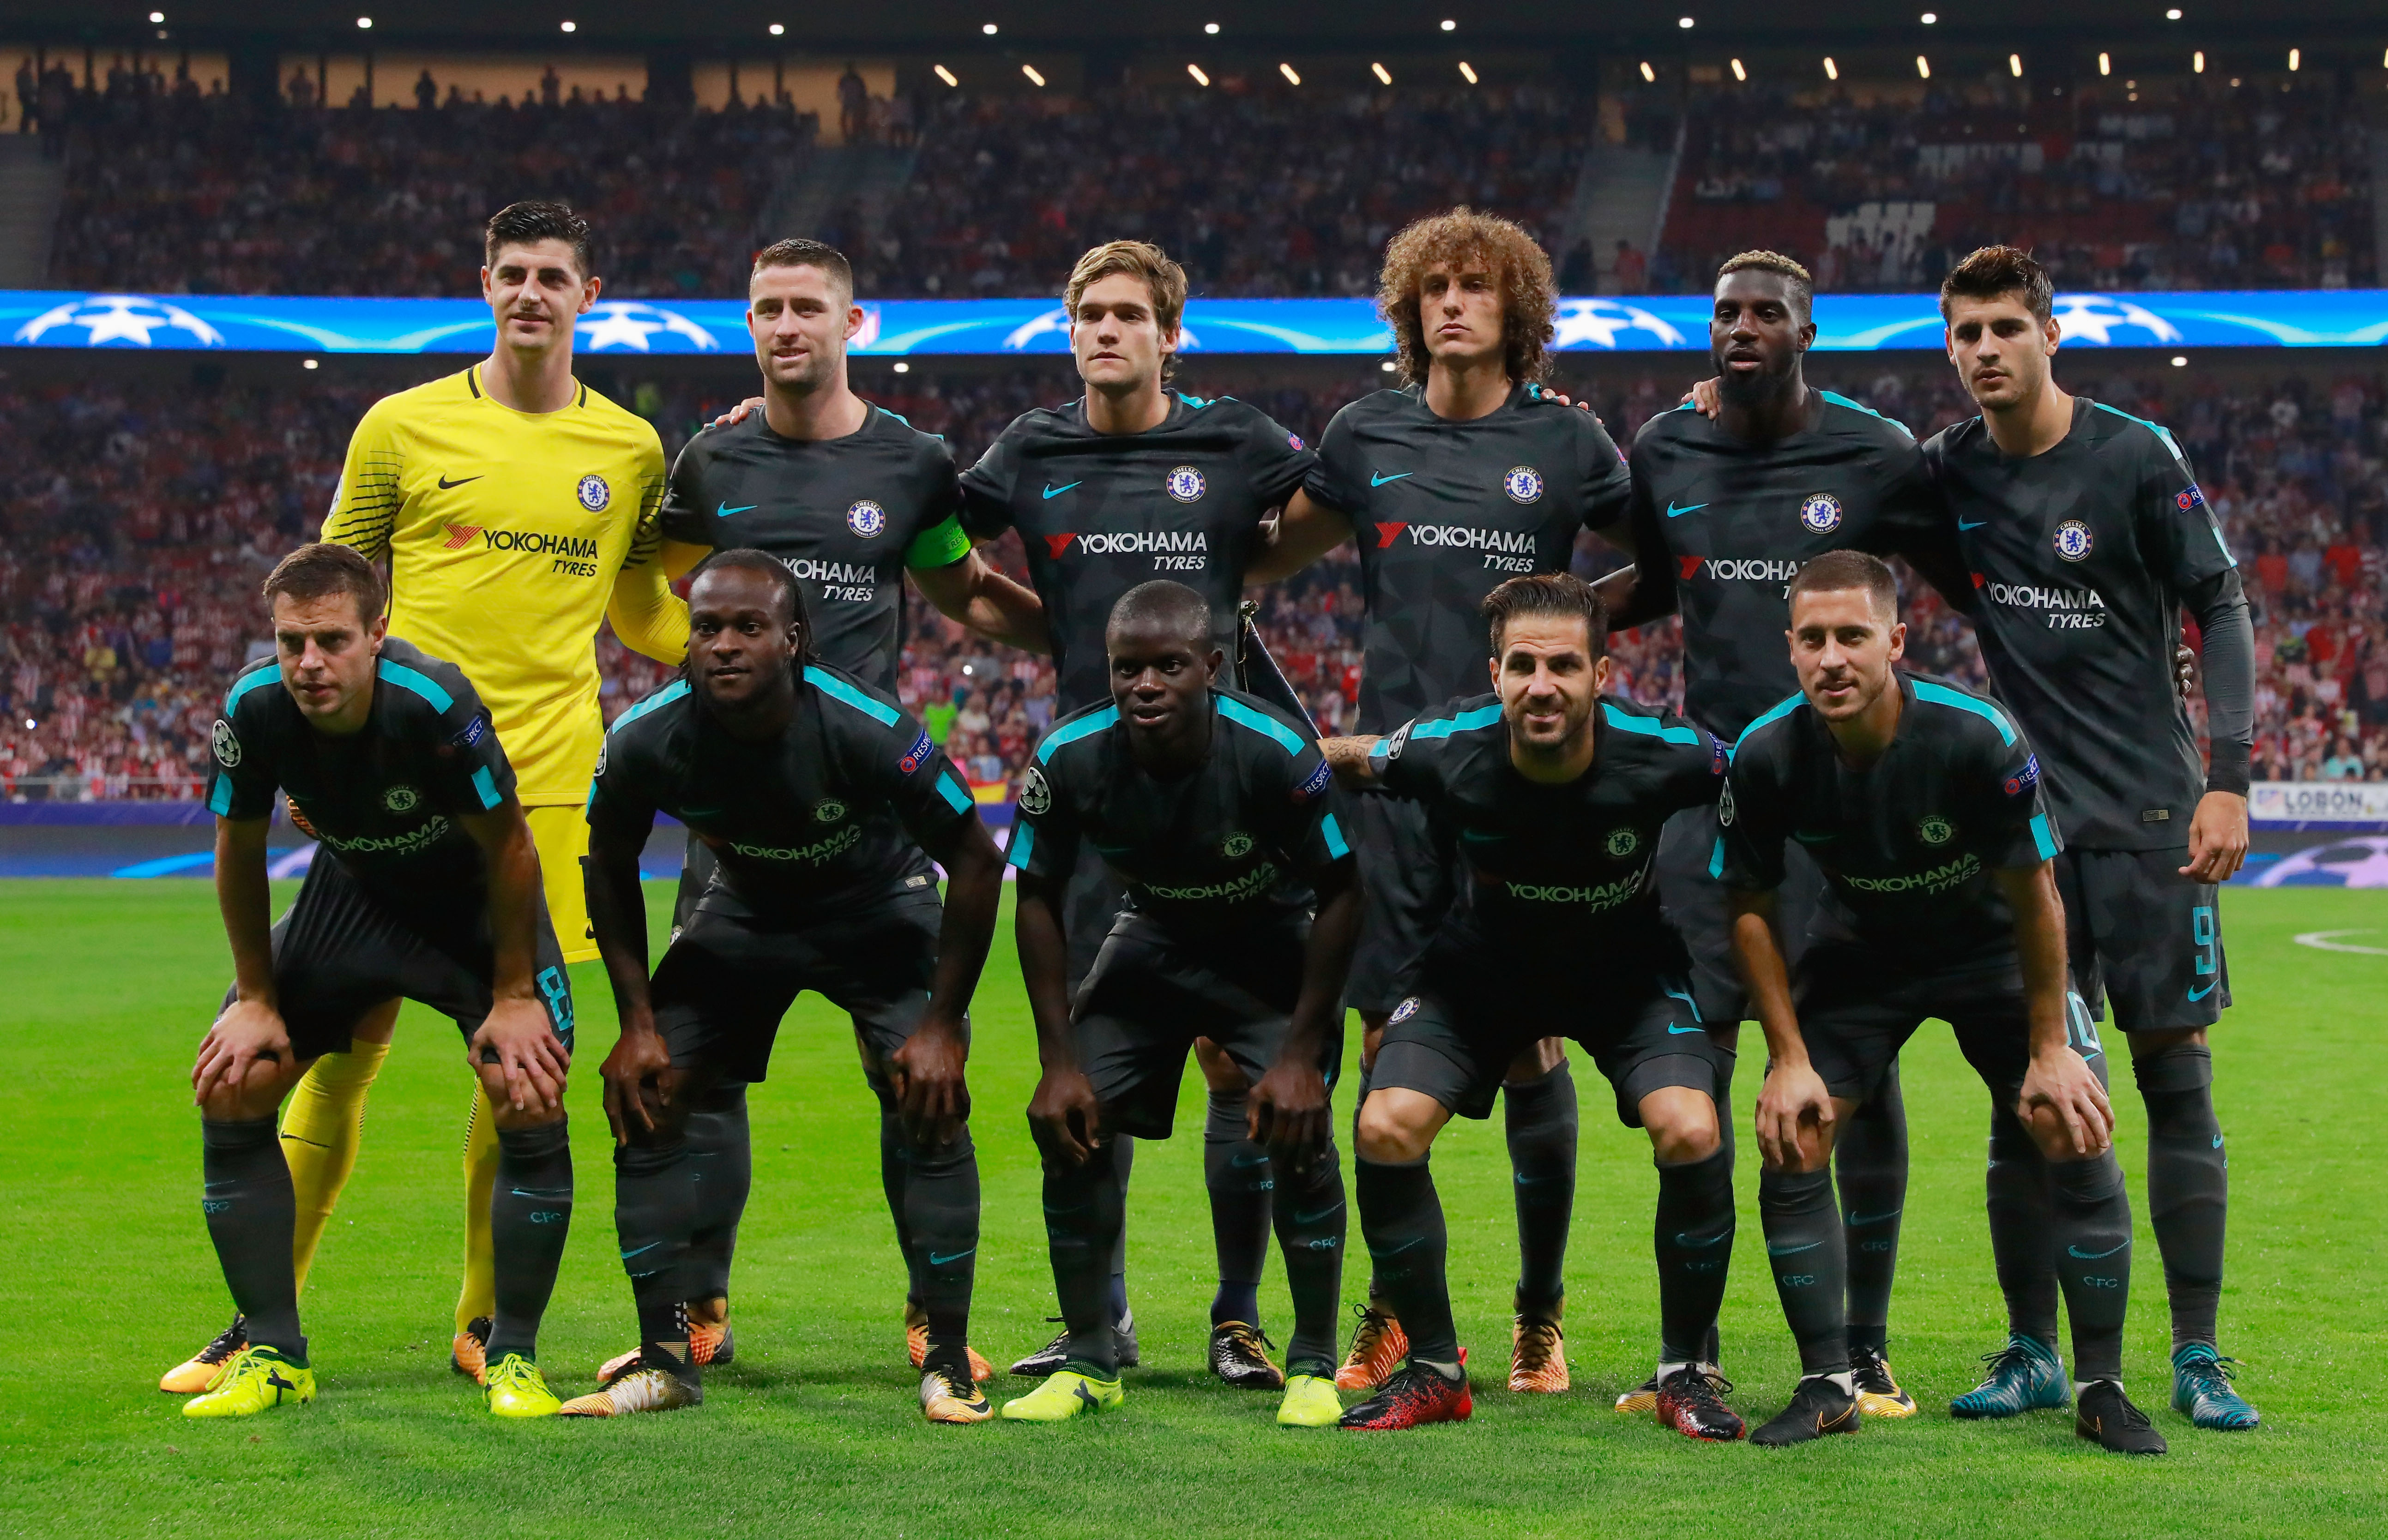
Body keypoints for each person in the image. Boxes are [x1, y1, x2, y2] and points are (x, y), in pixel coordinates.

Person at [158, 201, 688, 1396]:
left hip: (544, 789)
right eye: (512, 273)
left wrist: (720, 633)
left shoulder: (629, 452)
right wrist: (312, 744)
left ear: (588, 292)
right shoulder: (402, 424)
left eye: (554, 274)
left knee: (517, 1068)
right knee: (331, 1058)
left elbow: (638, 613)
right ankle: (259, 1325)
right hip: (391, 780)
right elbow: (335, 587)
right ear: (484, 283)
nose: (531, 293)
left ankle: (485, 1322)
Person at [610, 236, 1044, 1388]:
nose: (786, 325)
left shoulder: (913, 463)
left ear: (855, 326)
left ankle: (932, 1320)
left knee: (917, 1080)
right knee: (695, 1084)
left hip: (872, 829)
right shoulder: (706, 464)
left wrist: (1083, 640)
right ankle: (698, 1308)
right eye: (767, 308)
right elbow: (672, 608)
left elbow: (962, 593)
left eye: (808, 307)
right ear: (749, 326)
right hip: (735, 844)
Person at [1249, 208, 1632, 1395]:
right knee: (1382, 1051)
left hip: (1526, 804)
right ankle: (1397, 1314)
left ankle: (1538, 1319)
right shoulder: (1364, 434)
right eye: (1435, 288)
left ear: (1516, 312)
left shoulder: (1570, 451)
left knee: (1532, 1050)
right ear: (1408, 310)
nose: (1453, 303)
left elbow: (1667, 558)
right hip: (1389, 796)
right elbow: (1257, 558)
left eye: (1477, 287)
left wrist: (1578, 646)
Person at [1594, 250, 1967, 1419]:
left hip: (1849, 821)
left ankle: (1863, 1348)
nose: (1742, 328)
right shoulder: (1666, 448)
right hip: (1716, 806)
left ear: (1809, 332)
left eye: (1768, 314)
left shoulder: (1877, 454)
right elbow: (1655, 586)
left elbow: (1961, 580)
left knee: (1855, 1072)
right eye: (1726, 314)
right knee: (1692, 1070)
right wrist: (1541, 622)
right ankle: (1684, 1357)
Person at [960, 241, 1318, 1386]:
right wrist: (1056, 635)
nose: (1107, 331)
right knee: (1092, 1081)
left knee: (1233, 1066)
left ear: (1172, 334)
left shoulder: (1237, 439)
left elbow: (1332, 507)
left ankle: (1237, 1317)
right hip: (1095, 798)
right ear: (1070, 333)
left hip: (1223, 797)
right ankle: (1096, 1322)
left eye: (1130, 315)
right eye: (1090, 316)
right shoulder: (1029, 448)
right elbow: (939, 551)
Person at [1722, 551, 2163, 1454]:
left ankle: (2102, 1386)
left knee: (2073, 1120)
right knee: (1794, 1132)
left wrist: (2051, 1045)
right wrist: (1788, 1057)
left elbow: (2037, 894)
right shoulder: (1767, 753)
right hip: (1862, 958)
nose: (1833, 658)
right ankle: (1828, 1383)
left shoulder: (1976, 737)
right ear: (1791, 649)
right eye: (1814, 639)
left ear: (1897, 639)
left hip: (1993, 956)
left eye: (1853, 636)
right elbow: (1752, 912)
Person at [1922, 245, 2258, 1432]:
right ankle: (2032, 1350)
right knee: (2035, 1093)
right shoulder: (1945, 473)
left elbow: (2220, 602)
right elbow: (1834, 475)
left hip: (2160, 827)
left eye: (2005, 328)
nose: (1984, 352)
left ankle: (2200, 1354)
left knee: (2174, 1081)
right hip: (2029, 844)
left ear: (2049, 334)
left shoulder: (2132, 457)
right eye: (1965, 334)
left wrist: (2230, 780)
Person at [562, 552, 1006, 1424]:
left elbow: (978, 861)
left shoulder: (868, 726)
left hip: (878, 907)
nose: (723, 646)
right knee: (650, 1087)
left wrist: (944, 1023)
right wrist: (637, 1023)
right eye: (707, 629)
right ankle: (664, 1358)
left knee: (925, 1087)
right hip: (750, 907)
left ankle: (945, 1353)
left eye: (748, 629)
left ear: (794, 641)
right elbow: (607, 866)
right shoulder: (647, 736)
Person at [1321, 573, 1743, 1438]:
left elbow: (1767, 782)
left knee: (1692, 1129)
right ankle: (1435, 1369)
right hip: (1484, 970)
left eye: (1562, 666)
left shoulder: (1670, 750)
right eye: (1522, 666)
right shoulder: (1444, 744)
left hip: (1625, 972)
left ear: (1601, 673)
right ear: (1495, 672)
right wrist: (1245, 747)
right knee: (1383, 1124)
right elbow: (1355, 758)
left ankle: (1686, 1373)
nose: (1541, 685)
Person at [184, 545, 578, 1420]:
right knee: (234, 1082)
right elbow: (239, 847)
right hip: (350, 900)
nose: (309, 664)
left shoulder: (433, 702)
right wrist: (255, 998)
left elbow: (510, 844)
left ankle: (510, 1351)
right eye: (291, 643)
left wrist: (515, 996)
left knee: (529, 1088)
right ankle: (272, 1351)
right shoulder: (252, 707)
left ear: (377, 634)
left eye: (330, 640)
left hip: (469, 916)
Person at [1002, 581, 1358, 1427]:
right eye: (1129, 669)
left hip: (1269, 938)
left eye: (1169, 666)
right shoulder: (1071, 753)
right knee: (1071, 1120)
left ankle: (1311, 1364)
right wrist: (1058, 1063)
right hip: (1152, 932)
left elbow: (1344, 890)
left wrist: (1304, 1055)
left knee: (1299, 1130)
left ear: (1214, 666)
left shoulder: (1277, 750)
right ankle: (1090, 1360)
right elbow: (1037, 896)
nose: (1145, 686)